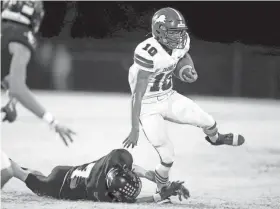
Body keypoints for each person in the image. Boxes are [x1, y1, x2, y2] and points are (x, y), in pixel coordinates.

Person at [123, 7, 245, 198]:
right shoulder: (148, 51)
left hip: (168, 95)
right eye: (174, 32)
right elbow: (137, 94)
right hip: (148, 105)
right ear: (159, 30)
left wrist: (187, 68)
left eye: (180, 31)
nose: (179, 37)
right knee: (167, 156)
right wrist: (134, 129)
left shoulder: (181, 43)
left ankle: (216, 138)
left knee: (208, 120)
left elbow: (182, 56)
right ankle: (161, 189)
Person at [1, 0, 75, 188]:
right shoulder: (21, 36)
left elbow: (9, 81)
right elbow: (17, 87)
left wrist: (11, 102)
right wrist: (53, 121)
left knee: (8, 169)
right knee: (5, 171)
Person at [10, 148, 189, 203]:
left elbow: (132, 168)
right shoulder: (100, 191)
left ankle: (22, 169)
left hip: (65, 172)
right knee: (21, 175)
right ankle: (7, 163)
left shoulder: (118, 159)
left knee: (39, 176)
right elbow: (134, 202)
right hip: (60, 186)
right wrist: (161, 195)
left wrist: (156, 179)